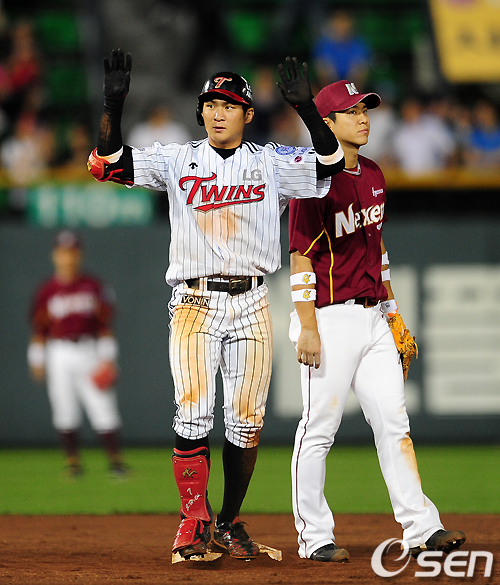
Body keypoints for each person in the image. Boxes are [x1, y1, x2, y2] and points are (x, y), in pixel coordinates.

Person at [87, 49, 344, 560]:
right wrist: (113, 106)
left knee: (246, 423)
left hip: (253, 299)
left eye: (229, 104)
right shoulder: (176, 158)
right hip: (194, 300)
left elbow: (331, 165)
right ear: (200, 111)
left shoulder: (272, 162)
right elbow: (106, 164)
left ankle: (226, 521)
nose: (218, 112)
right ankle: (192, 522)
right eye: (210, 104)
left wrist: (307, 110)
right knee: (193, 412)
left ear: (248, 114)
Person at [287, 80, 466, 562]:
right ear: (327, 123)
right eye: (351, 111)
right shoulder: (312, 181)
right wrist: (307, 325)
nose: (364, 117)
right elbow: (300, 258)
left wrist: (392, 311)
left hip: (372, 317)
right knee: (318, 430)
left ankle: (422, 528)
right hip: (328, 317)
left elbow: (376, 248)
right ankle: (314, 536)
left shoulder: (374, 173)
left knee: (394, 423)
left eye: (365, 109)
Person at [27, 230, 127, 479]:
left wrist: (108, 358)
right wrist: (36, 358)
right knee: (64, 407)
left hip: (89, 350)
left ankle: (115, 461)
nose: (67, 257)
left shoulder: (93, 286)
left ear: (79, 255)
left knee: (103, 407)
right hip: (58, 351)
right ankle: (72, 462)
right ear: (55, 255)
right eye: (63, 252)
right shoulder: (47, 290)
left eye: (72, 252)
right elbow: (39, 329)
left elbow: (105, 325)